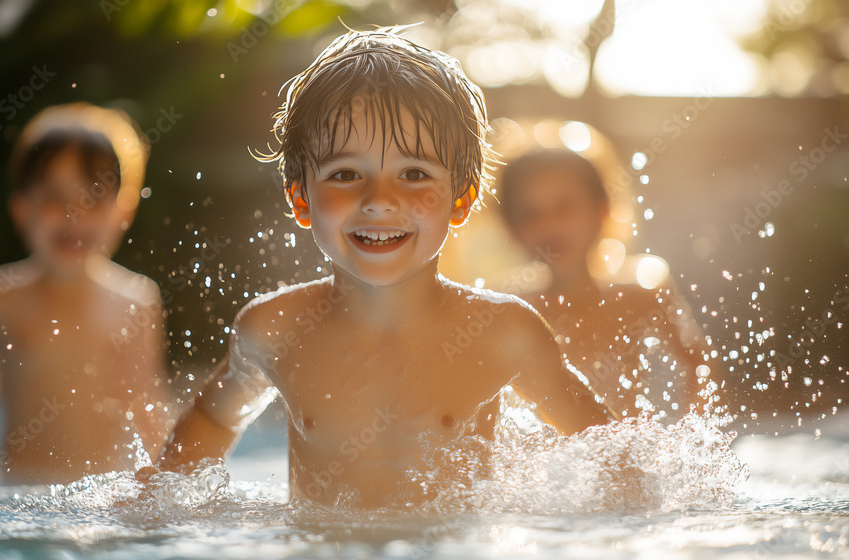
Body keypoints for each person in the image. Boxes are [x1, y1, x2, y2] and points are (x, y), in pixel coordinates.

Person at [150, 27, 616, 509]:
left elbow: (609, 447)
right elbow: (215, 418)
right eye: (346, 174)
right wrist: (153, 504)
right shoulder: (274, 329)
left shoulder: (502, 331)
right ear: (301, 198)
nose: (379, 201)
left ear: (461, 198)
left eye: (413, 174)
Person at [0, 103, 171, 484]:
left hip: (97, 509)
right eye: (55, 198)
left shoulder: (135, 301)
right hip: (15, 501)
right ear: (23, 210)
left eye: (93, 199)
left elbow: (147, 407)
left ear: (122, 212)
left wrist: (170, 486)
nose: (74, 215)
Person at [496, 148, 713, 421]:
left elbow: (700, 368)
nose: (549, 224)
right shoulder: (504, 308)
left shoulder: (642, 293)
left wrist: (689, 439)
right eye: (530, 213)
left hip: (624, 458)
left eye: (564, 207)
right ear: (511, 227)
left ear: (603, 210)